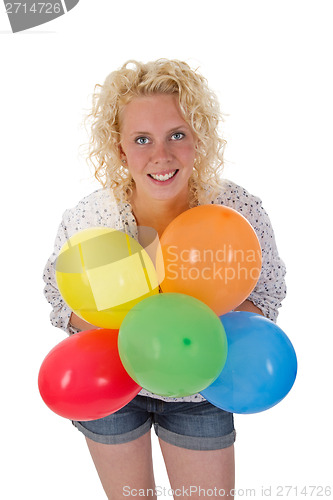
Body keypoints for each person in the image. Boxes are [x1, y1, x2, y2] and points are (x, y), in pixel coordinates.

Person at [43, 59, 286, 499]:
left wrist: (191, 320)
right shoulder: (91, 220)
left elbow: (267, 296)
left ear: (199, 139)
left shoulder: (238, 212)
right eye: (142, 139)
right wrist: (133, 327)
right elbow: (59, 301)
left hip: (201, 390)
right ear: (120, 150)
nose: (161, 155)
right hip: (112, 386)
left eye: (178, 134)